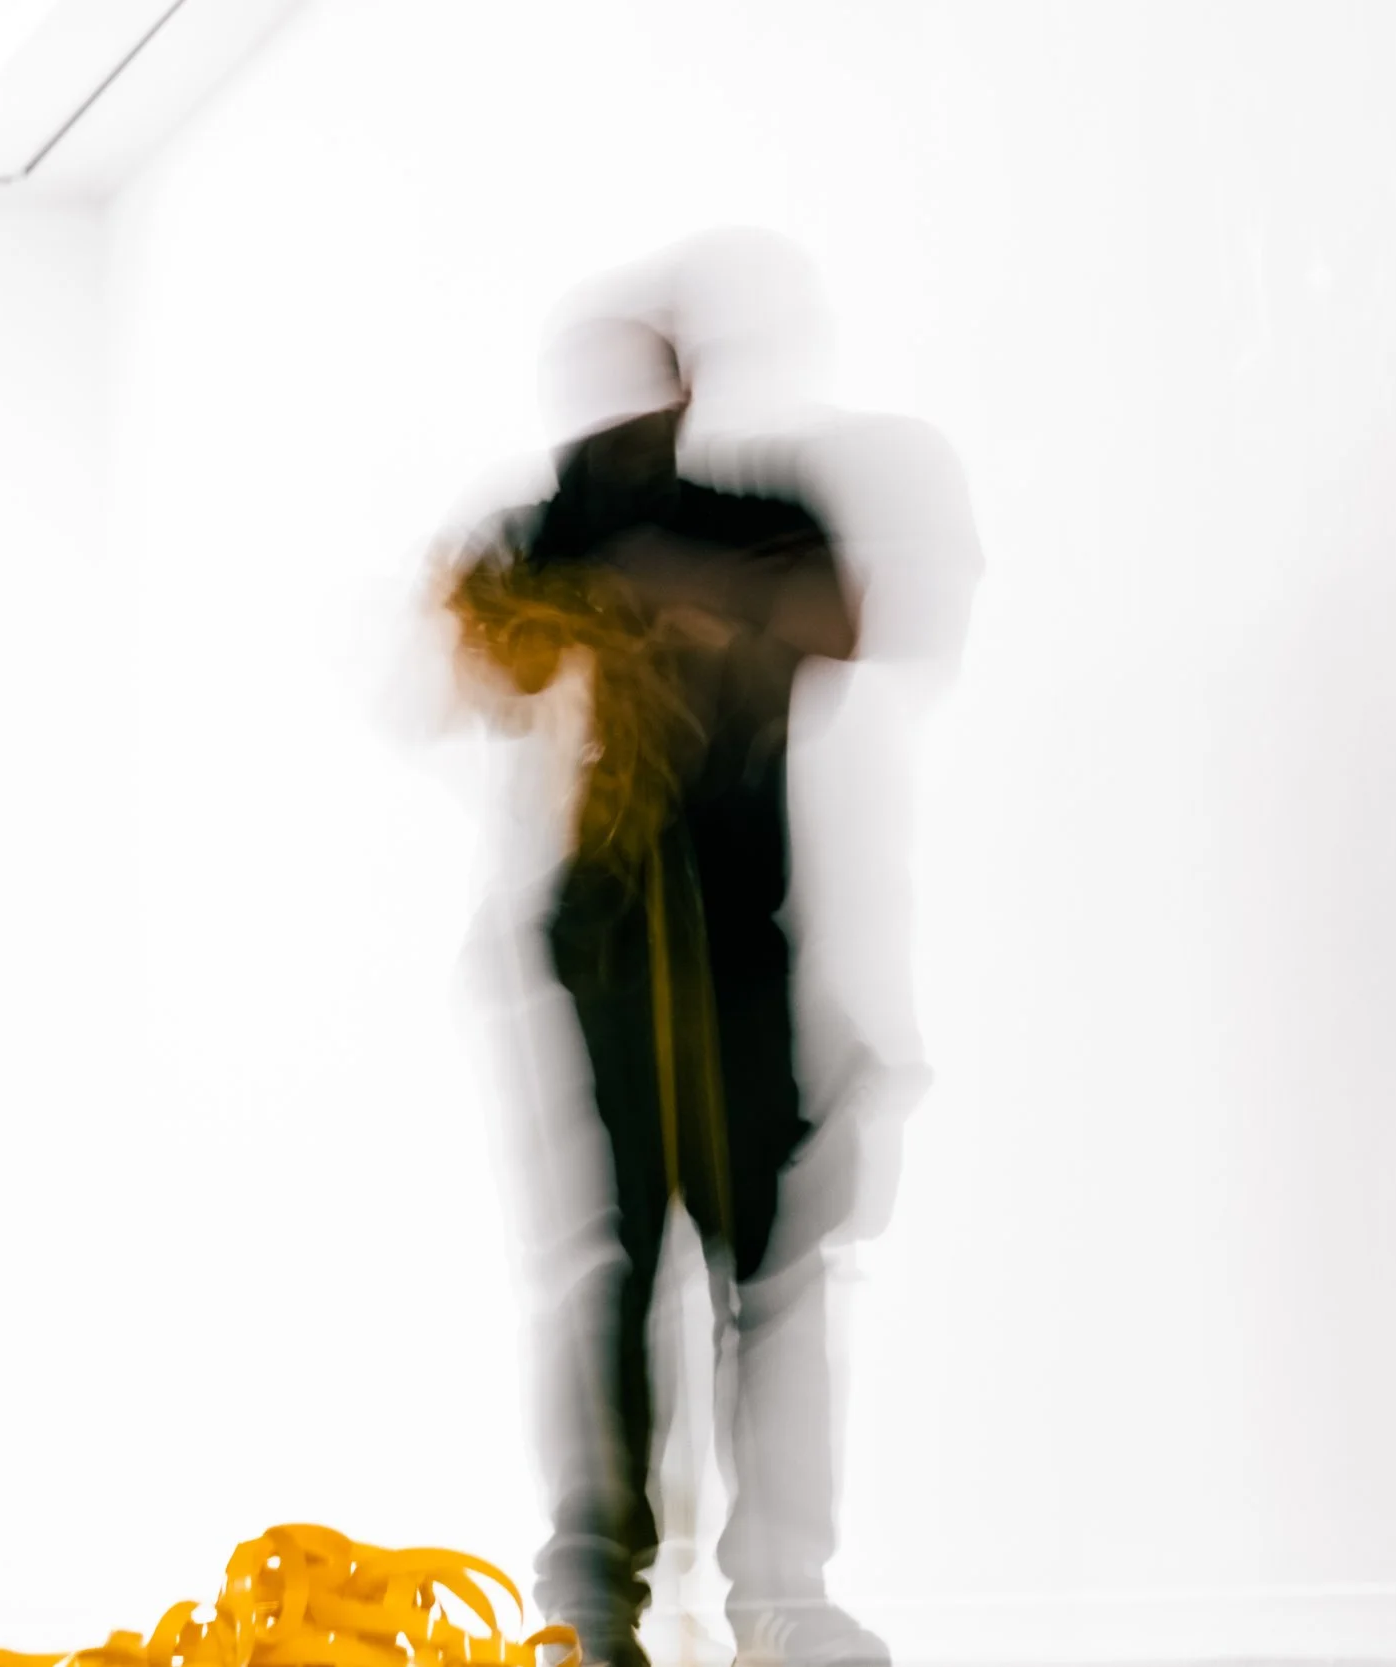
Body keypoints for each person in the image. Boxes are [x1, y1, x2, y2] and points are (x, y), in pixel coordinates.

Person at [435, 233, 978, 1667]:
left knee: (766, 1267)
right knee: (617, 1266)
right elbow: (477, 655)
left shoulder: (757, 518)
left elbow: (839, 621)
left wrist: (679, 604)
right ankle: (593, 1591)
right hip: (608, 950)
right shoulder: (552, 528)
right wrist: (588, 609)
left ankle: (778, 1590)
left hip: (744, 944)